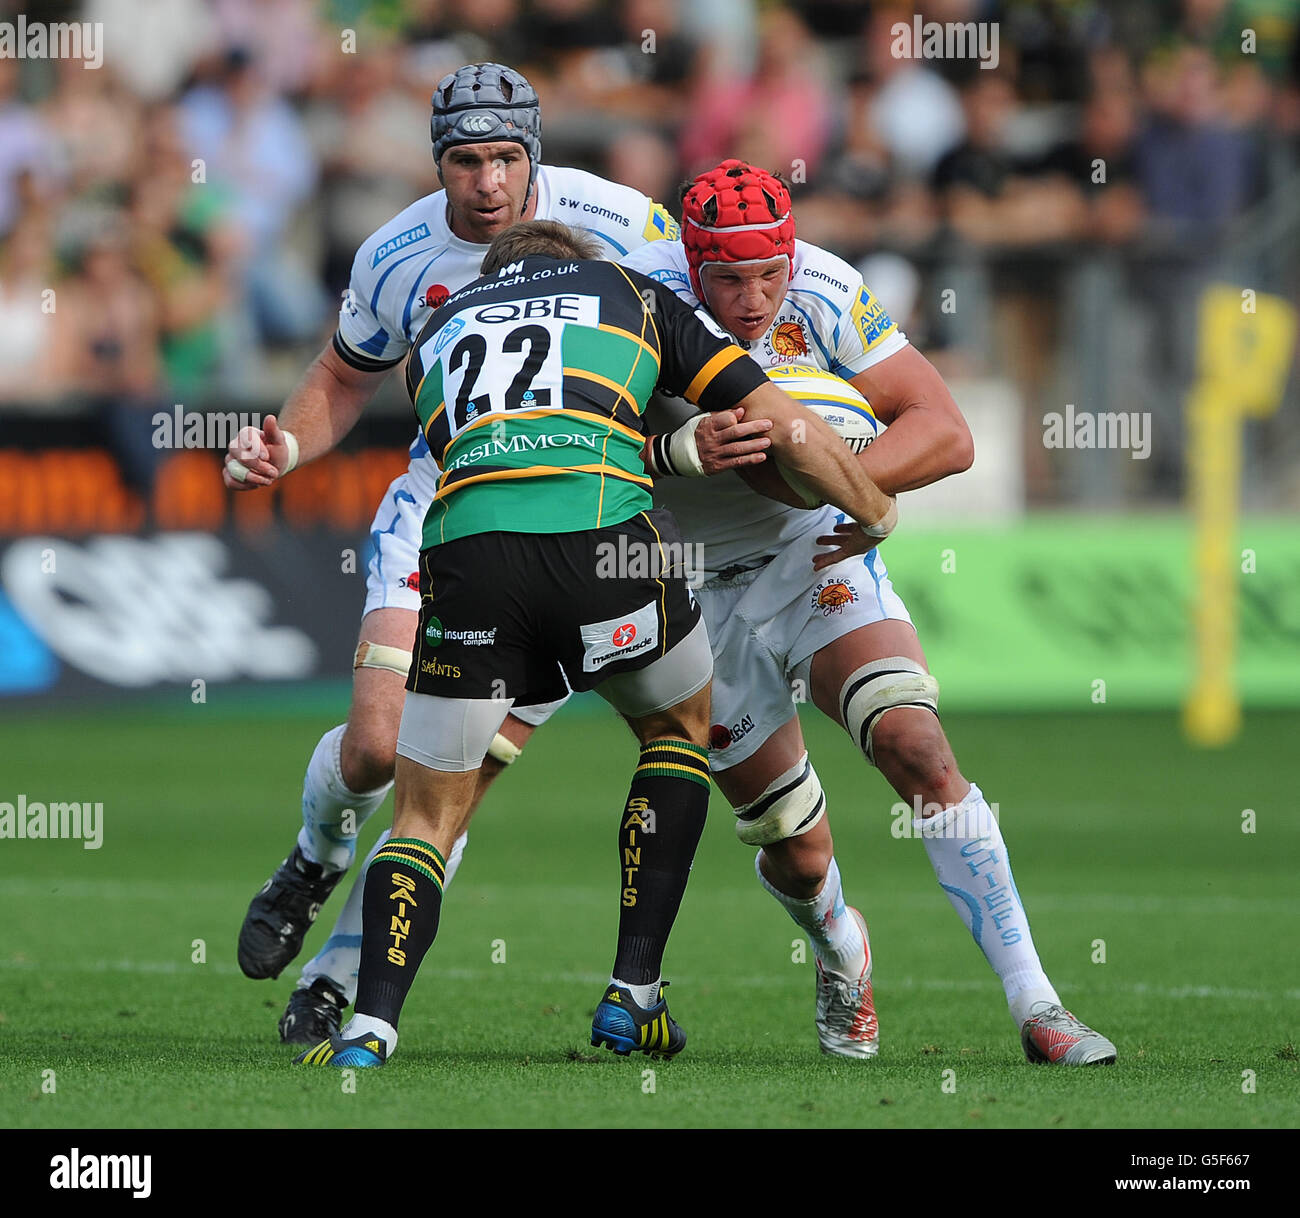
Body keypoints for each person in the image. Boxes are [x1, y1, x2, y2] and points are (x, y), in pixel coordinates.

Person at [292, 219, 899, 1067]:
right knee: (678, 730)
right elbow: (786, 427)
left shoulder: (433, 333)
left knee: (426, 816)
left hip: (471, 559)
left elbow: (493, 449)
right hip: (603, 545)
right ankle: (632, 992)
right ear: (576, 269)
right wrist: (874, 508)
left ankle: (371, 1027)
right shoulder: (630, 294)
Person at [221, 63, 691, 1045]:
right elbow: (342, 379)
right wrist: (285, 443)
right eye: (465, 162)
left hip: (572, 514)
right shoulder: (396, 252)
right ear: (438, 163)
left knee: (454, 773)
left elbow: (690, 342)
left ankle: (338, 982)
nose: (486, 183)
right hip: (440, 501)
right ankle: (313, 856)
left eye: (506, 158)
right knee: (373, 748)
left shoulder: (627, 226)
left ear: (536, 155)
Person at [620, 160, 1117, 1066]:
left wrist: (837, 475)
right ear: (690, 261)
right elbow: (583, 451)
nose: (753, 297)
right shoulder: (638, 302)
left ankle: (1040, 1005)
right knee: (795, 850)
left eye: (767, 272)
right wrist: (678, 449)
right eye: (728, 278)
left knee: (915, 745)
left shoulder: (823, 288)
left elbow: (945, 429)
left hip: (815, 552)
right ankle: (840, 944)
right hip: (688, 588)